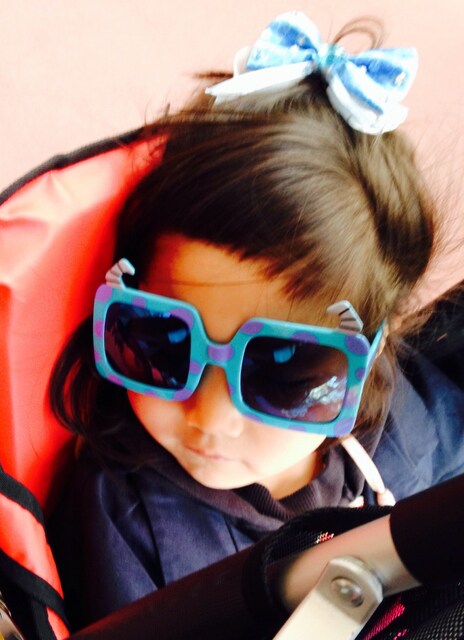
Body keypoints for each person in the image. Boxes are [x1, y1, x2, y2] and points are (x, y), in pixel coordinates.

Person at [47, 11, 464, 629]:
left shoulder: (408, 425)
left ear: (370, 359)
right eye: (163, 344)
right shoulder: (127, 521)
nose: (210, 419)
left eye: (285, 374)